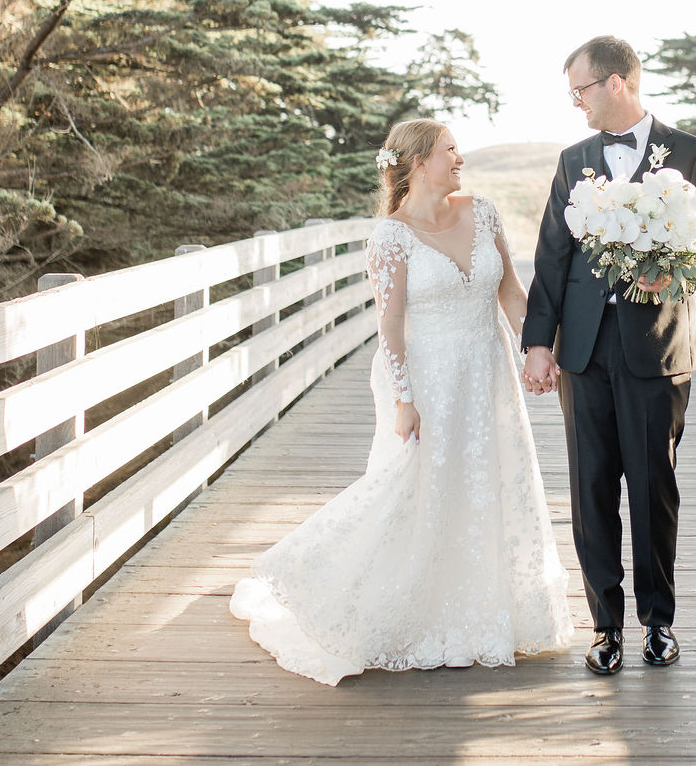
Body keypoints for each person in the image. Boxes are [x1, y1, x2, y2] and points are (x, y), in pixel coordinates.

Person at [229, 118, 573, 684]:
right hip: (428, 376)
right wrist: (403, 400)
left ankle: (489, 611)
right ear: (417, 163)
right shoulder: (390, 236)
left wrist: (537, 352)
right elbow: (389, 327)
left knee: (490, 480)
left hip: (488, 371)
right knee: (419, 487)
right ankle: (359, 591)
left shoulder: (483, 211)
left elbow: (511, 291)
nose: (460, 158)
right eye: (449, 150)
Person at [521, 36, 696, 675]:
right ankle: (605, 626)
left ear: (616, 83)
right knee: (590, 489)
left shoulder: (692, 154)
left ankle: (658, 622)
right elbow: (552, 257)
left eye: (580, 91)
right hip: (583, 350)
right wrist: (537, 344)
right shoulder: (573, 159)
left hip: (657, 348)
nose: (575, 104)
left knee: (653, 487)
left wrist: (677, 271)